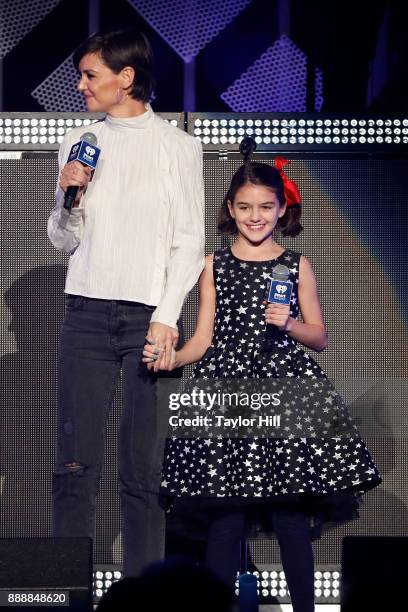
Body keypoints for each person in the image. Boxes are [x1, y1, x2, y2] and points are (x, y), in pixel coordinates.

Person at [143, 139, 381, 612]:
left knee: (290, 512)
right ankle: (215, 606)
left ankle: (306, 609)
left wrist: (289, 323)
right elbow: (204, 338)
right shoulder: (214, 263)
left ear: (281, 209)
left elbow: (319, 336)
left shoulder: (296, 265)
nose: (256, 216)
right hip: (224, 390)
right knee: (226, 515)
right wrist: (173, 358)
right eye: (246, 207)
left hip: (285, 389)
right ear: (231, 208)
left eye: (266, 207)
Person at [47, 29, 204, 576]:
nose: (82, 85)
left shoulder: (178, 146)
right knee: (74, 466)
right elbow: (63, 239)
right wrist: (72, 198)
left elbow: (188, 243)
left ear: (126, 77)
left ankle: (146, 594)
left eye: (91, 74)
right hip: (85, 315)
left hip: (148, 320)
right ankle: (64, 593)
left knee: (143, 473)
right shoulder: (79, 140)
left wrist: (165, 319)